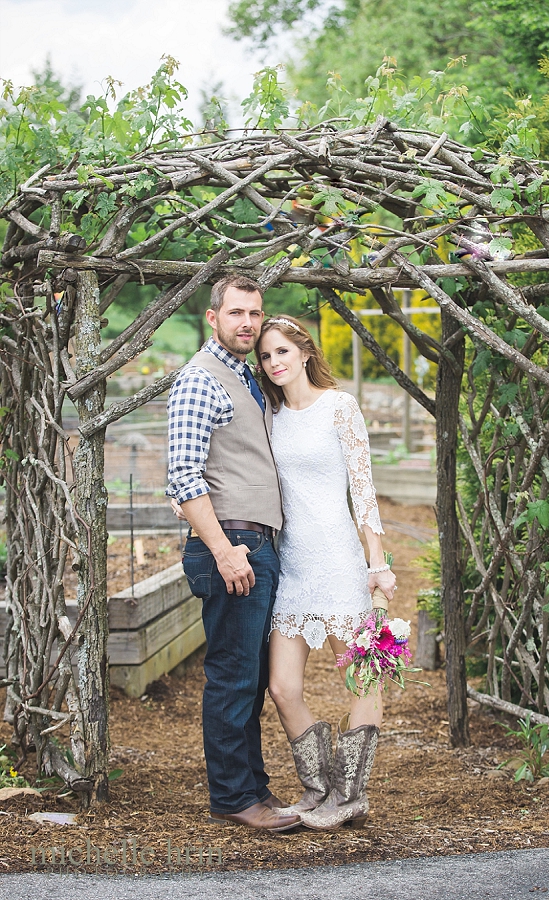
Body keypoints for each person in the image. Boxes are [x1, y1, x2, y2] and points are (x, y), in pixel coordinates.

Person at [166, 275, 300, 833]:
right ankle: (232, 797)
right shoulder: (200, 379)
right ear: (212, 317)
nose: (248, 322)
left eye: (256, 313)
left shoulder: (246, 376)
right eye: (237, 313)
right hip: (232, 546)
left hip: (256, 546)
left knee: (250, 675)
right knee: (231, 674)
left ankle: (253, 787)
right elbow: (182, 475)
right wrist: (224, 550)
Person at [255, 315, 396, 831]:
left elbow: (363, 490)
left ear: (304, 352)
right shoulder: (269, 415)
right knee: (283, 685)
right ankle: (319, 788)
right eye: (266, 356)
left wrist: (376, 563)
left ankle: (351, 795)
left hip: (338, 562)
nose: (274, 363)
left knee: (359, 677)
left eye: (282, 352)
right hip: (292, 566)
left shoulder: (340, 407)